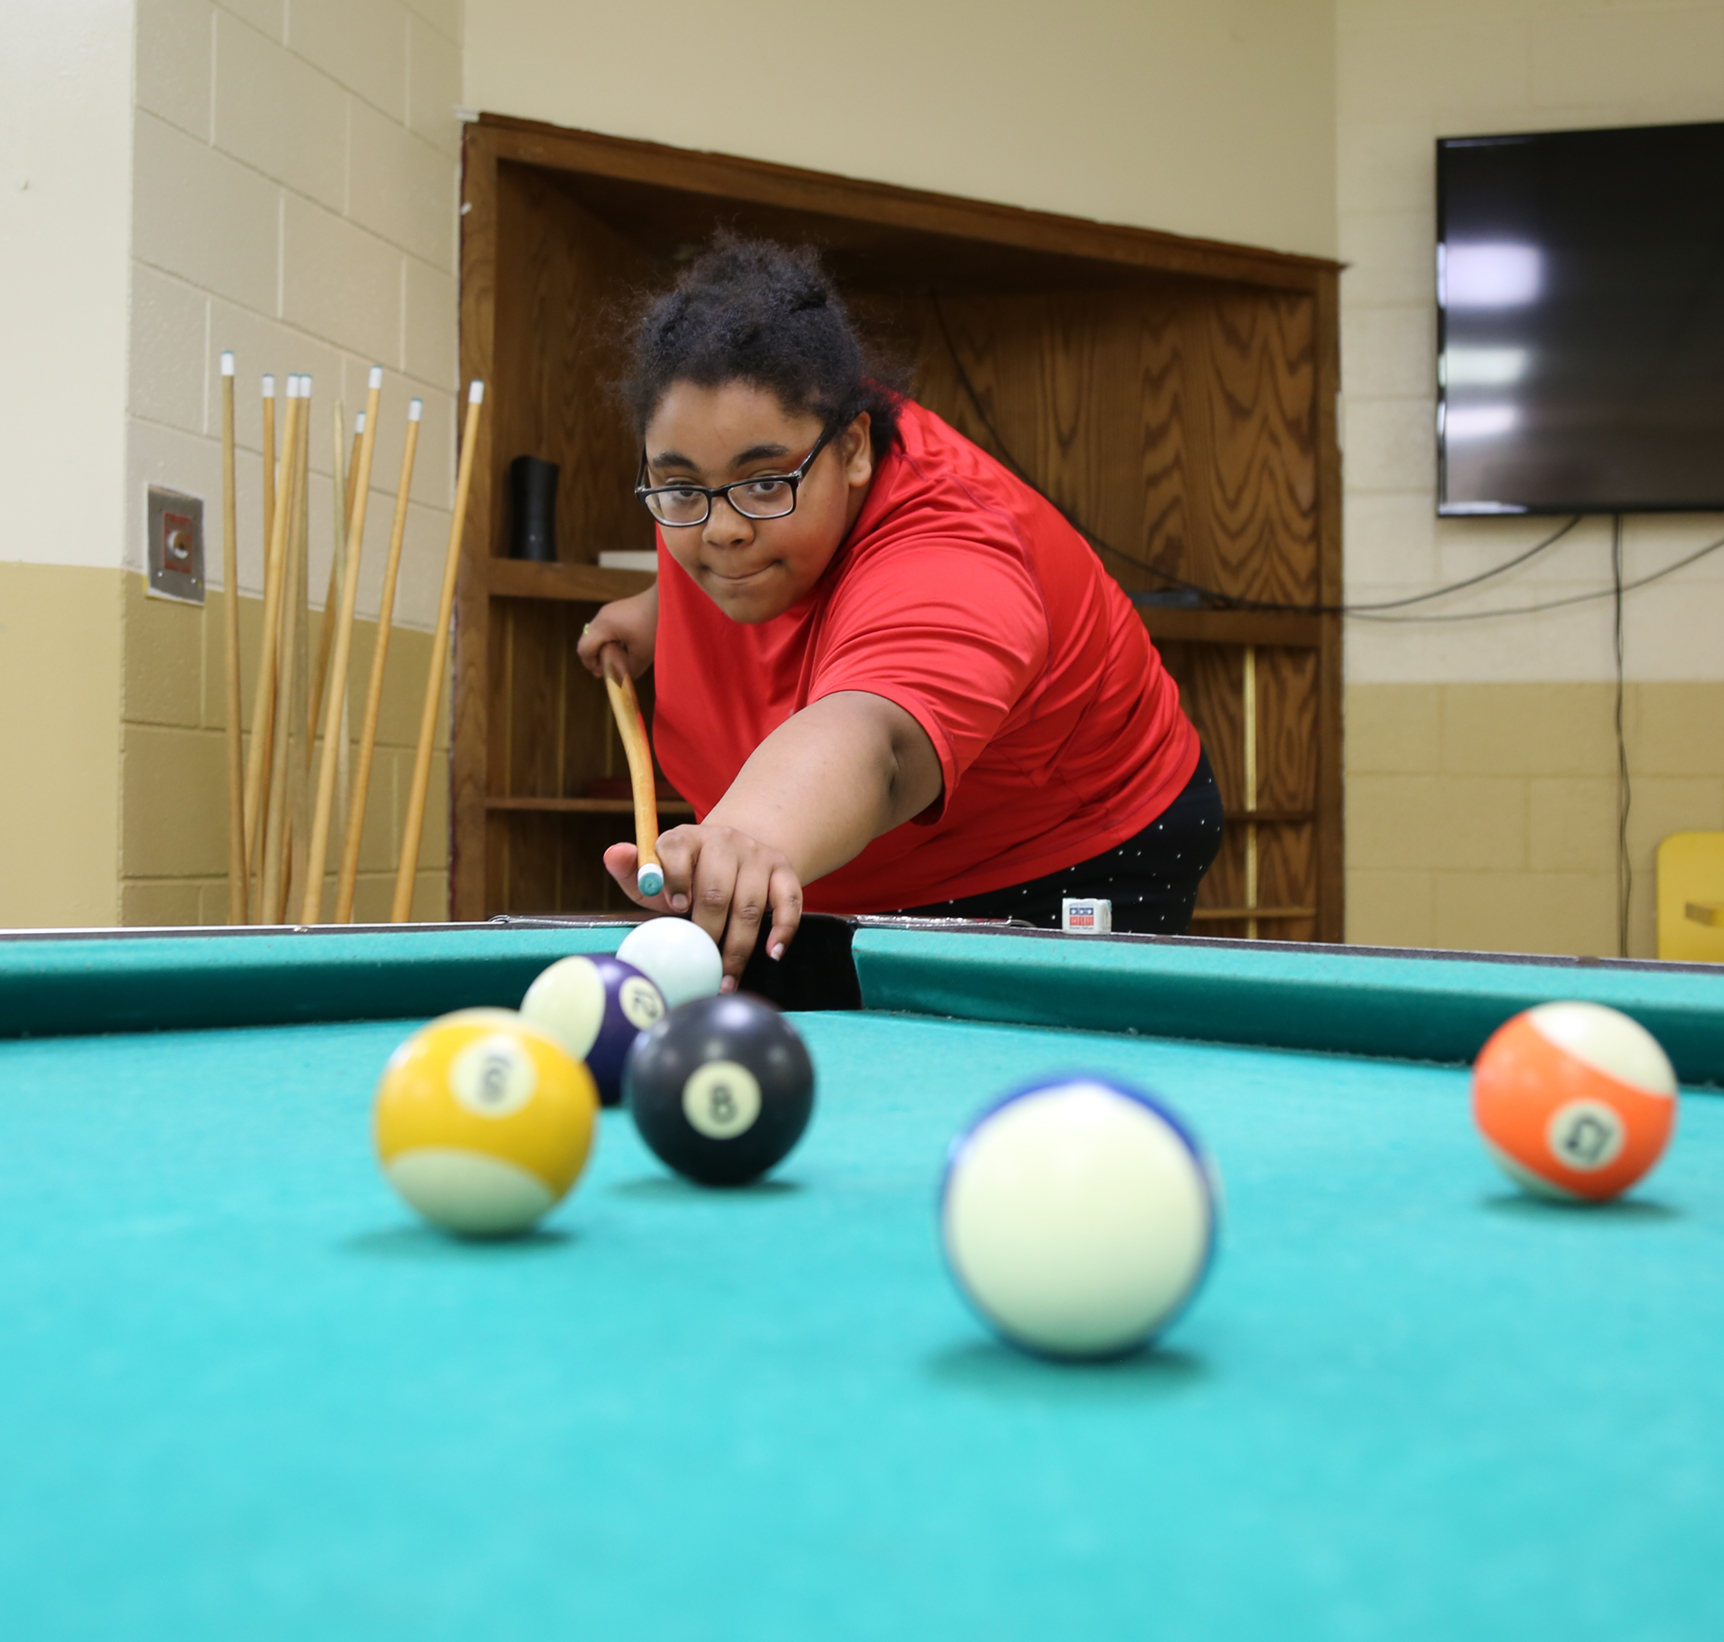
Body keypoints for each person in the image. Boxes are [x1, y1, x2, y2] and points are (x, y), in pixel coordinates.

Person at [578, 236, 1221, 990]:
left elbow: (874, 744)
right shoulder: (744, 491)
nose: (722, 531)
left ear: (853, 449)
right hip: (826, 859)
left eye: (761, 483)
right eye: (680, 488)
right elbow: (718, 530)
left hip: (1066, 850)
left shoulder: (952, 549)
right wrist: (656, 611)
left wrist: (741, 840)